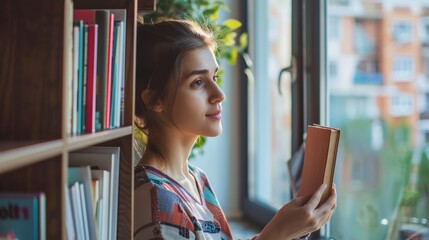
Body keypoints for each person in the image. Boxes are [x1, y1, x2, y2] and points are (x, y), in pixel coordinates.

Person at [134, 18, 337, 240]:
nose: (219, 94)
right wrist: (276, 234)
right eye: (198, 82)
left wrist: (289, 229)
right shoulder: (155, 198)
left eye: (214, 77)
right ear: (154, 100)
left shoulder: (196, 180)